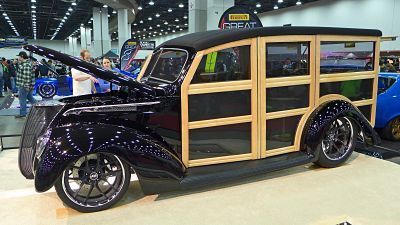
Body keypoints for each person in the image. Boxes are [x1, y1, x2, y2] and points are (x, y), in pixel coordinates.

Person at [15, 51, 36, 118]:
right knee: (30, 98)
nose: (18, 58)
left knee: (22, 99)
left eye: (19, 56)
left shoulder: (26, 65)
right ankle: (40, 108)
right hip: (26, 85)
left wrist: (26, 86)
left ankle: (23, 113)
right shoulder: (25, 64)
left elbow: (26, 77)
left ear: (22, 56)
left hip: (24, 85)